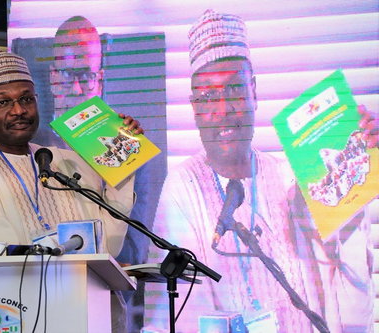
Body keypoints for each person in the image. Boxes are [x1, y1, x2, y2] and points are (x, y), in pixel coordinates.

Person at [144, 10, 376, 333]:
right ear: (194, 108)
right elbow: (171, 320)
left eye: (235, 89)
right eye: (208, 96)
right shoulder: (183, 189)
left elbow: (349, 320)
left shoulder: (290, 180)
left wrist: (356, 186)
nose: (224, 111)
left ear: (254, 92)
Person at [0, 51, 144, 332]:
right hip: (13, 315)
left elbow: (106, 234)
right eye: (3, 102)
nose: (18, 110)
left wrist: (126, 145)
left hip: (82, 310)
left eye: (26, 99)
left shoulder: (59, 160)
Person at [49, 16, 163, 332]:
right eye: (68, 74)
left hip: (111, 307)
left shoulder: (124, 141)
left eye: (85, 75)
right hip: (46, 297)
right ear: (52, 77)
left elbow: (136, 249)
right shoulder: (31, 145)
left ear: (100, 79)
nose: (75, 87)